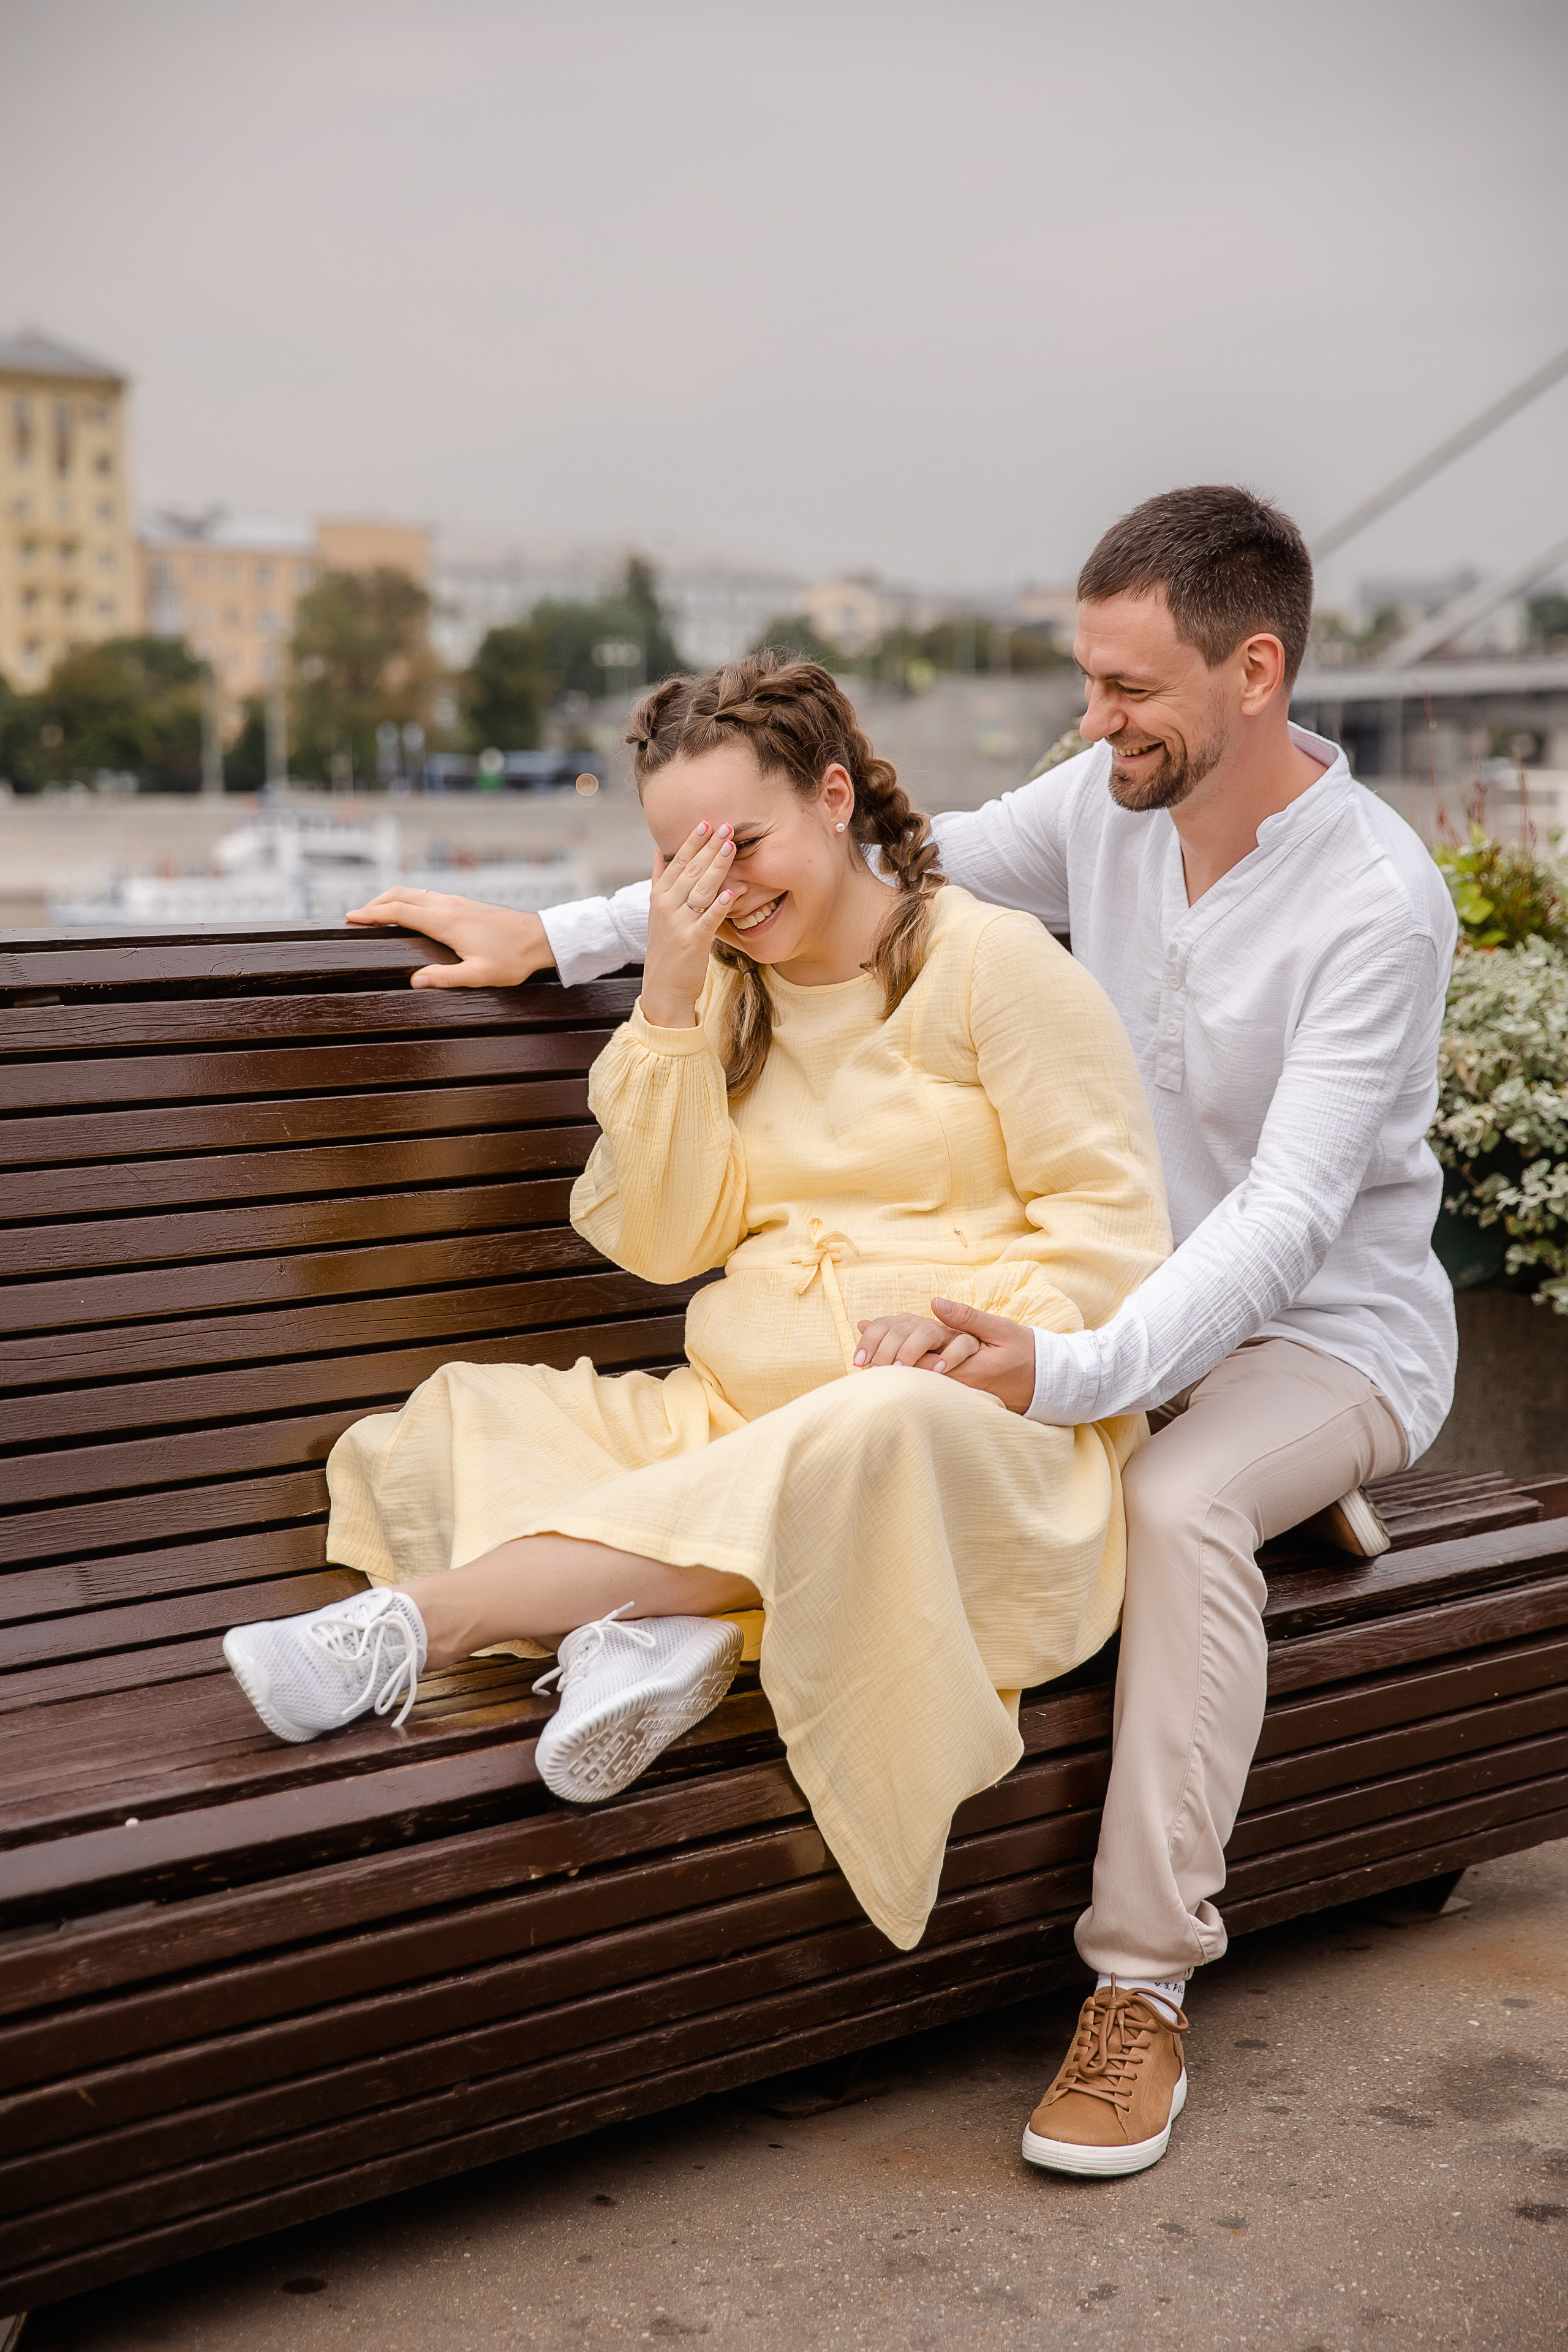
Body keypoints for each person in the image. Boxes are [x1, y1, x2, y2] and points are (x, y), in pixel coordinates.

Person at [344, 486, 1458, 2182]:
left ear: (1253, 669)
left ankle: (1143, 1988)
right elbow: (846, 868)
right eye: (1086, 683)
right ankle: (673, 1626)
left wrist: (1075, 1374)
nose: (1093, 725)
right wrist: (567, 939)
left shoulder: (1374, 901)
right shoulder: (1112, 802)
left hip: (1313, 1338)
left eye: (1128, 689)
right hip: (1100, 1309)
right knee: (851, 1441)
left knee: (1177, 1508)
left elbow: (1289, 1219)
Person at [223, 653, 1170, 1967]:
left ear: (834, 797)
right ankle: (672, 1622)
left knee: (866, 1431)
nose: (719, 887)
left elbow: (1115, 1242)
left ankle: (420, 1628)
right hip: (743, 1412)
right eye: (682, 861)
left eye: (742, 842)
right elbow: (661, 1239)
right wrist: (665, 995)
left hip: (973, 1432)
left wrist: (964, 1328)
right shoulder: (718, 991)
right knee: (455, 1423)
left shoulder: (988, 968)